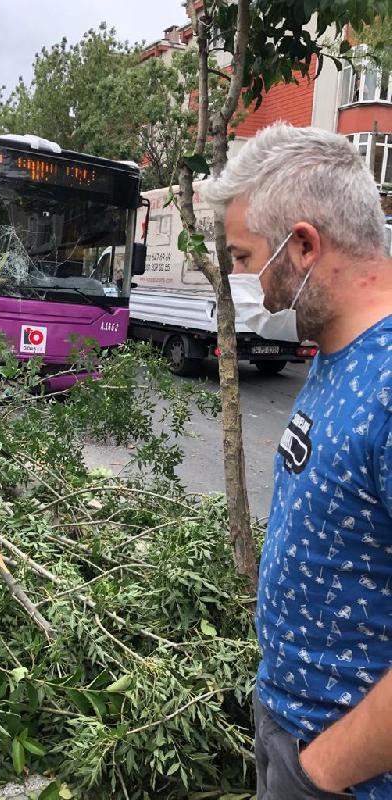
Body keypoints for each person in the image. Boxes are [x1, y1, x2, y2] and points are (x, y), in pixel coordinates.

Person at [204, 123, 392, 800]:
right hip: (296, 733)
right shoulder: (337, 349)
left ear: (304, 245)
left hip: (346, 775)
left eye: (245, 256)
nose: (244, 280)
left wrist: (320, 774)